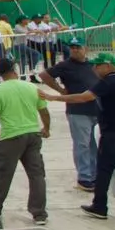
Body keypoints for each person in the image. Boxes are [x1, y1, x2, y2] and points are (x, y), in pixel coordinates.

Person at [42, 54, 115, 224]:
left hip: (113, 135)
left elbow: (83, 97)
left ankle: (100, 206)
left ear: (107, 66)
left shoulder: (107, 83)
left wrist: (54, 97)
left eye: (97, 65)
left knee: (103, 171)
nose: (94, 69)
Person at [0, 57, 51, 224]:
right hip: (33, 135)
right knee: (37, 175)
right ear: (15, 69)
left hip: (11, 138)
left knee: (3, 175)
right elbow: (44, 110)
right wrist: (46, 128)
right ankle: (39, 213)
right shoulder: (31, 87)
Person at [38, 38, 101, 192]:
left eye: (77, 47)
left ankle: (95, 173)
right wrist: (60, 90)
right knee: (82, 144)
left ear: (85, 48)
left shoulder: (92, 65)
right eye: (72, 48)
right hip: (77, 110)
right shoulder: (65, 65)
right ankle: (84, 176)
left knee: (94, 144)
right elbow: (44, 75)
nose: (75, 50)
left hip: (96, 109)